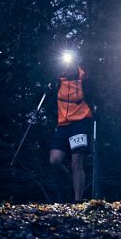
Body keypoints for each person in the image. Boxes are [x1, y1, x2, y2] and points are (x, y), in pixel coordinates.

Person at [49, 54, 96, 204]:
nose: (68, 67)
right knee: (55, 160)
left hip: (80, 123)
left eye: (71, 64)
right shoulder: (58, 80)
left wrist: (96, 111)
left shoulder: (85, 79)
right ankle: (71, 180)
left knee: (77, 162)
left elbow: (95, 97)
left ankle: (77, 200)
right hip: (63, 124)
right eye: (65, 64)